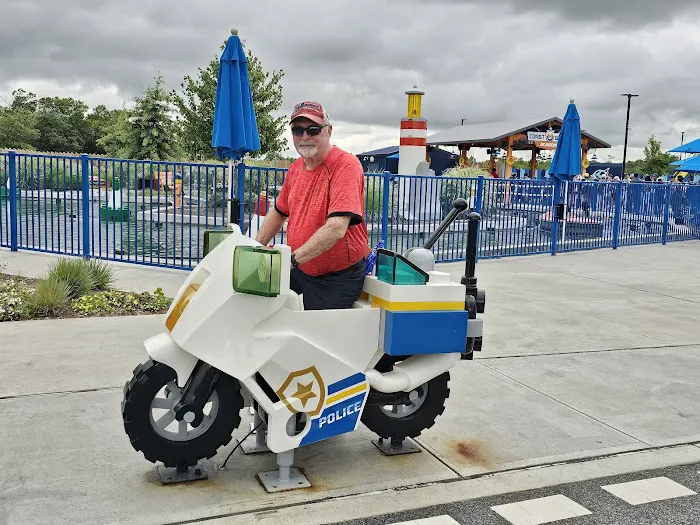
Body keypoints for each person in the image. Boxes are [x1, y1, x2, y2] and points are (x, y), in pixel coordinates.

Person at [254, 101, 370, 310]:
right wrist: (256, 247)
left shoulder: (345, 165)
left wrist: (291, 260)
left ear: (328, 131)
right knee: (257, 302)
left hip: (335, 278)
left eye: (313, 129)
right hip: (301, 268)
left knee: (315, 336)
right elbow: (279, 212)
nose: (305, 136)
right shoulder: (296, 168)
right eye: (298, 130)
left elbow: (336, 228)